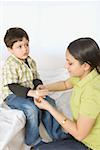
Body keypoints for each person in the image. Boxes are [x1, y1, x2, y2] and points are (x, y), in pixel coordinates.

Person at [1, 27, 67, 149]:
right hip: (13, 95)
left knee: (49, 102)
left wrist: (39, 86)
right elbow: (13, 86)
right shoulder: (10, 64)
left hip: (30, 91)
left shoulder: (30, 61)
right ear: (10, 49)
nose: (25, 49)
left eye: (26, 45)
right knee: (31, 109)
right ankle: (33, 141)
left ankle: (57, 134)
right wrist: (32, 93)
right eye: (19, 46)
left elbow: (35, 77)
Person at [34, 37, 100, 150]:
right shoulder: (85, 75)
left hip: (90, 145)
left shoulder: (92, 92)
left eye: (70, 63)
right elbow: (65, 84)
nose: (66, 66)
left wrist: (48, 107)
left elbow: (79, 134)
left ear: (85, 66)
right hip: (79, 136)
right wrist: (45, 88)